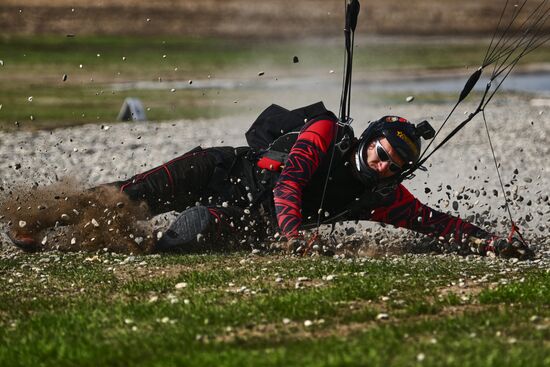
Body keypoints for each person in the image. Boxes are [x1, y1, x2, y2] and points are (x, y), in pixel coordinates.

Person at [6, 102, 534, 259]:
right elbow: (291, 182)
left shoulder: (379, 196)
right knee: (125, 196)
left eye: (396, 163)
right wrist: (292, 231)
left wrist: (489, 241)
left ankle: (79, 247)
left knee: (181, 238)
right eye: (382, 151)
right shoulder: (326, 131)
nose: (385, 165)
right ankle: (39, 223)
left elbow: (429, 221)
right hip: (218, 168)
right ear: (369, 138)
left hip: (240, 216)